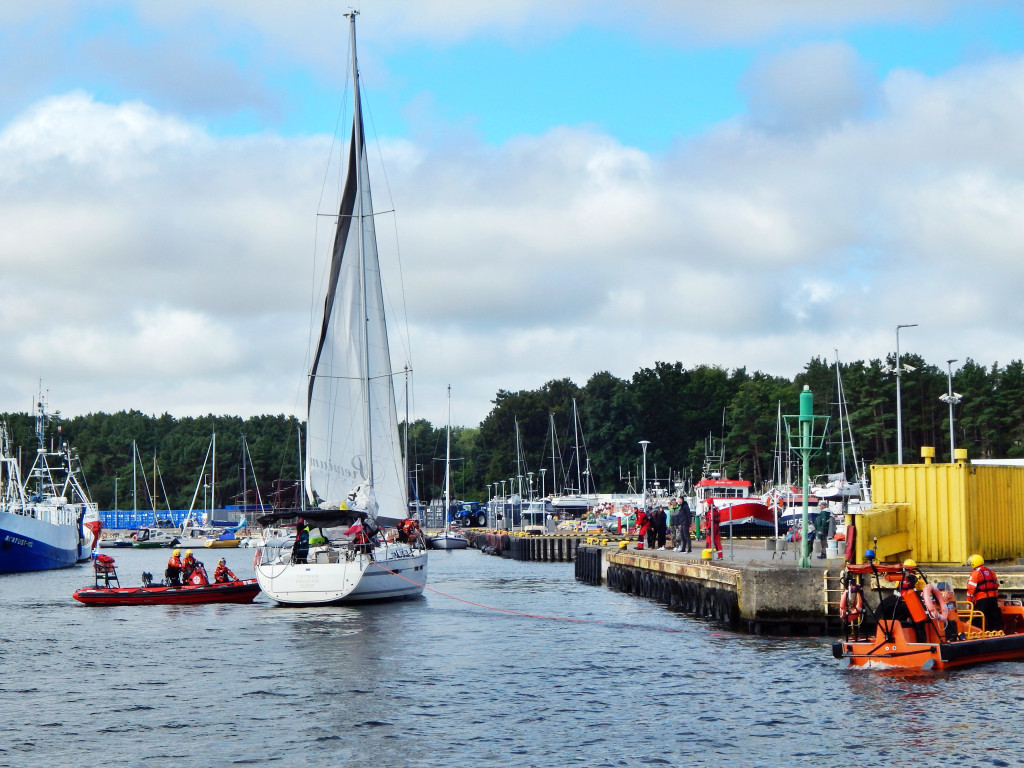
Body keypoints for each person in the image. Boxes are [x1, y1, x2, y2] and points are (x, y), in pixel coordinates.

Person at [967, 554, 1002, 632]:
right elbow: (995, 586)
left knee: (977, 618)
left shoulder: (975, 573)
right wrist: (995, 597)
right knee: (994, 618)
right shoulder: (991, 572)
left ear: (973, 563)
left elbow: (970, 589)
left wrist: (968, 602)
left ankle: (976, 633)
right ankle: (996, 633)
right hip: (993, 599)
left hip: (981, 599)